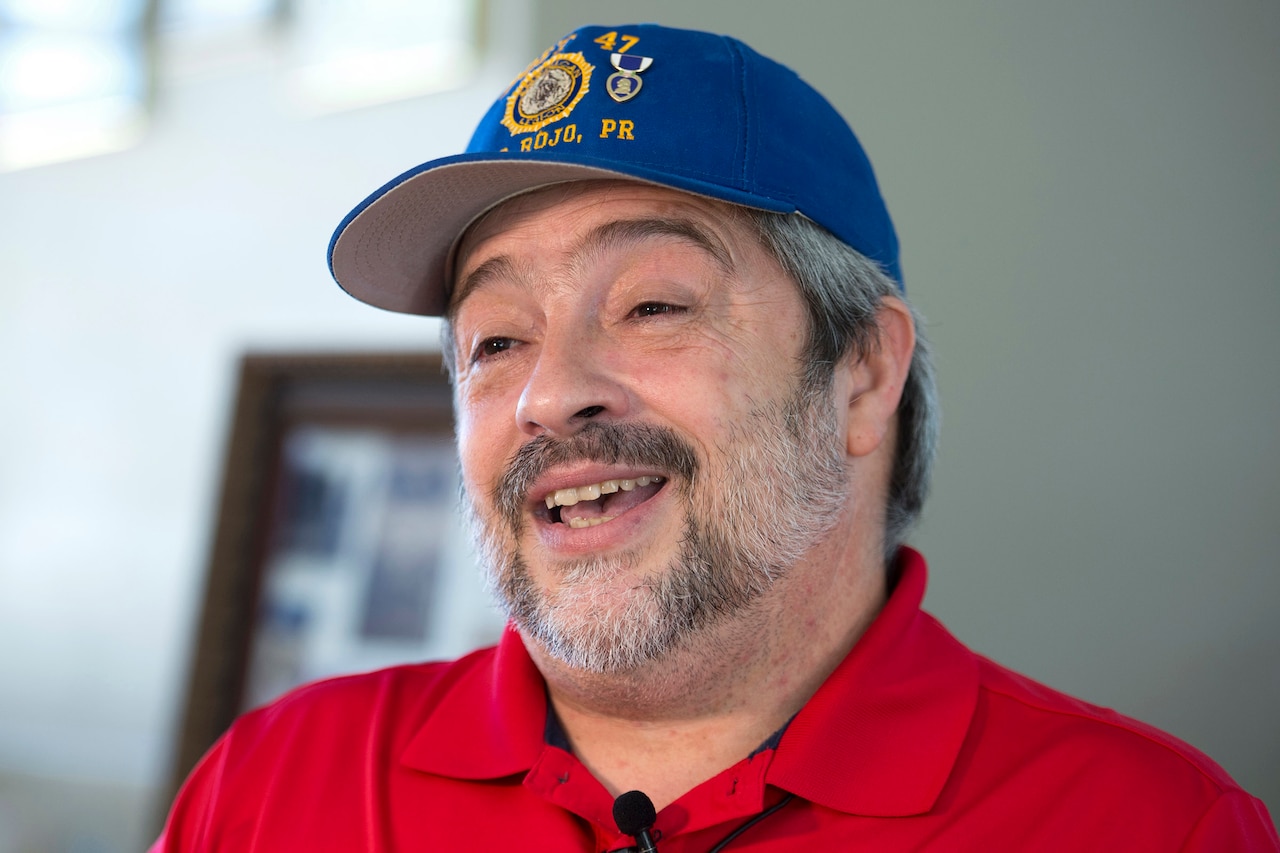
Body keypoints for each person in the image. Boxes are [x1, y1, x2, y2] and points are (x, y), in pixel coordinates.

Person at [153, 22, 1278, 851]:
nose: (549, 395)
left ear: (863, 372)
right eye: (494, 339)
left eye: (651, 305)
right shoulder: (267, 790)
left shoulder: (1145, 825)